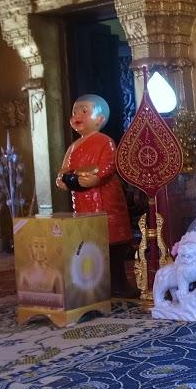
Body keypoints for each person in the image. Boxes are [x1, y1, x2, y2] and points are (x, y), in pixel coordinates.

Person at [56, 94, 137, 297]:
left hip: (105, 199)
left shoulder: (105, 142)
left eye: (84, 111)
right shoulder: (73, 147)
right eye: (75, 111)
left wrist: (95, 177)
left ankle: (119, 284)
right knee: (88, 245)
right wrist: (63, 181)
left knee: (112, 246)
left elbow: (108, 167)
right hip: (83, 201)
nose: (77, 115)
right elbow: (64, 170)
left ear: (100, 119)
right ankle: (94, 285)